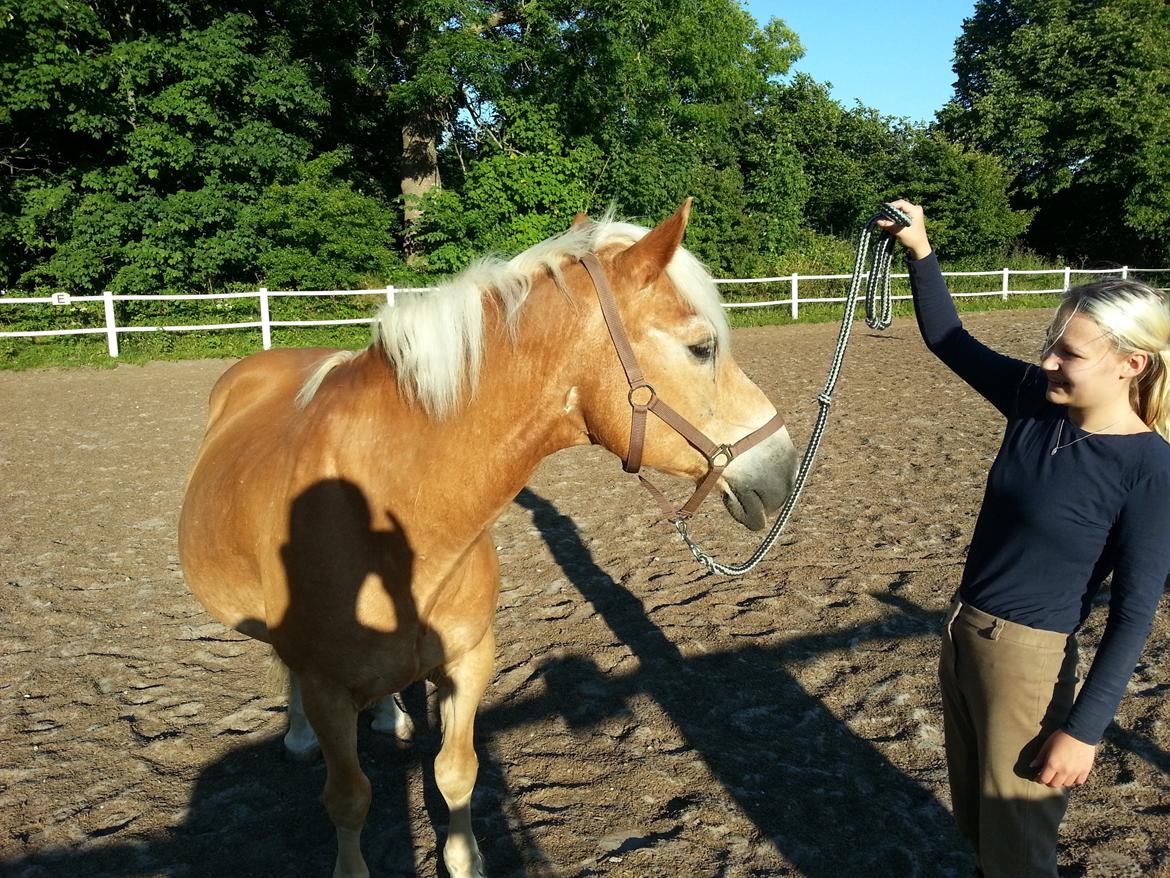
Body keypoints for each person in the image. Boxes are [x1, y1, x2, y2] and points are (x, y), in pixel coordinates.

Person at [878, 200, 1170, 878]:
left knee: (1019, 854)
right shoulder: (1035, 403)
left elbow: (1132, 615)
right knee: (982, 832)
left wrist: (1084, 730)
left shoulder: (1149, 470)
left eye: (1068, 352)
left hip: (1029, 668)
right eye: (1050, 343)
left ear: (1130, 364)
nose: (1046, 361)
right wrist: (921, 250)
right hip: (961, 637)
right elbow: (948, 337)